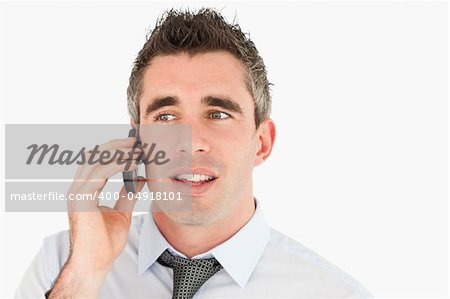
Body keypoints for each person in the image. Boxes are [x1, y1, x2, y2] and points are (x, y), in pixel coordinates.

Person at [16, 8, 372, 298]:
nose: (190, 141)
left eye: (218, 114)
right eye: (166, 116)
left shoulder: (334, 293)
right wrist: (85, 275)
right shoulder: (60, 264)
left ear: (261, 143)